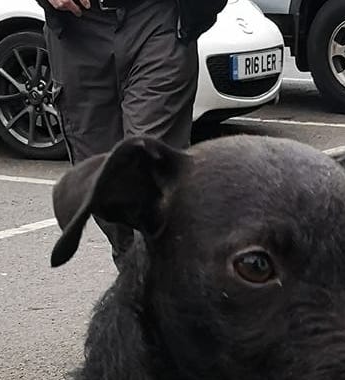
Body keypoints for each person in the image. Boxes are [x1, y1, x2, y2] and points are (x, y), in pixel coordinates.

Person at [39, 0, 225, 260]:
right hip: (77, 25)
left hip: (157, 19)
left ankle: (158, 281)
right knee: (102, 180)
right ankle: (139, 274)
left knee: (149, 169)